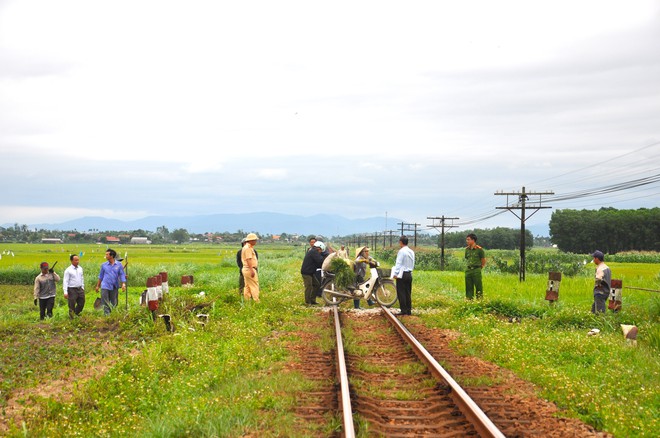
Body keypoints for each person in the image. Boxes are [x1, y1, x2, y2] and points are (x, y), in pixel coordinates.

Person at [94, 248, 127, 315]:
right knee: (105, 301)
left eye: (107, 255)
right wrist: (98, 286)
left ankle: (112, 314)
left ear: (111, 256)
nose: (105, 256)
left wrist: (123, 284)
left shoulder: (119, 265)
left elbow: (122, 274)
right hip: (105, 285)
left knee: (114, 302)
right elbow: (101, 276)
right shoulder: (104, 265)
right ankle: (107, 316)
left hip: (114, 286)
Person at [391, 236, 415, 316]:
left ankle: (403, 310)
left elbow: (398, 263)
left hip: (402, 274)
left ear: (401, 242)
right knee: (408, 292)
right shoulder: (411, 251)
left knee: (401, 292)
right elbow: (413, 263)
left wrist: (395, 273)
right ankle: (409, 310)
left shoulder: (401, 251)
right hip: (409, 274)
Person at [301, 241, 324, 305]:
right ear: (319, 248)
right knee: (309, 286)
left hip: (311, 272)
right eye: (321, 250)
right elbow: (320, 260)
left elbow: (318, 263)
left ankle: (312, 300)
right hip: (306, 272)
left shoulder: (314, 251)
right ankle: (308, 302)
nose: (321, 252)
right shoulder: (314, 252)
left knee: (317, 284)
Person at [63, 254, 85, 319]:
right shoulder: (68, 270)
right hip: (71, 289)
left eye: (78, 260)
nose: (77, 261)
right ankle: (71, 318)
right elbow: (65, 281)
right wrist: (65, 292)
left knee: (81, 303)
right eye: (75, 260)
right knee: (71, 304)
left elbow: (82, 278)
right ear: (71, 261)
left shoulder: (80, 268)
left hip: (80, 288)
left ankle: (76, 313)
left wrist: (82, 287)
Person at [464, 233, 486, 299]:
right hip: (468, 270)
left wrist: (480, 267)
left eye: (468, 239)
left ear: (473, 240)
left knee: (478, 286)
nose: (467, 241)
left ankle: (479, 301)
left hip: (476, 270)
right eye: (466, 239)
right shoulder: (467, 249)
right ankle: (469, 301)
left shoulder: (479, 249)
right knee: (468, 287)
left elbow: (483, 260)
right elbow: (467, 258)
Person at [241, 233, 260, 303]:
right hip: (249, 269)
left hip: (246, 269)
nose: (256, 242)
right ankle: (256, 301)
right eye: (255, 240)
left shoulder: (246, 247)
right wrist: (252, 270)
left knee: (247, 286)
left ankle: (247, 300)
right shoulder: (248, 248)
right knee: (254, 285)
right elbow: (248, 259)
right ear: (251, 240)